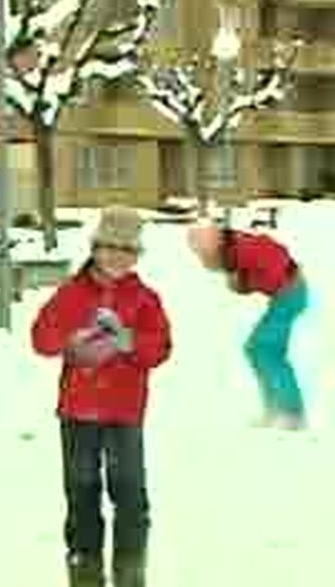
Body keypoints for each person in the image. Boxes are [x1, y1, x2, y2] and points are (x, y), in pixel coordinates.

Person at [30, 206, 173, 587]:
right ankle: (84, 570)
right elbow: (41, 338)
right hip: (78, 412)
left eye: (128, 250)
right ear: (95, 248)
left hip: (124, 412)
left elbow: (160, 348)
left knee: (129, 494)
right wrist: (70, 340)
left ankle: (130, 571)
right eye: (111, 247)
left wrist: (129, 341)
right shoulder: (71, 293)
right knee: (81, 492)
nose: (118, 257)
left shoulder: (145, 299)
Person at [186, 221, 309, 430]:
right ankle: (275, 407)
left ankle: (292, 412)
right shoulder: (234, 253)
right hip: (284, 295)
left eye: (206, 258)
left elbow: (275, 259)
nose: (207, 263)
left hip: (292, 292)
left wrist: (247, 280)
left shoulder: (245, 248)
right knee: (257, 350)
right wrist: (243, 281)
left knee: (266, 349)